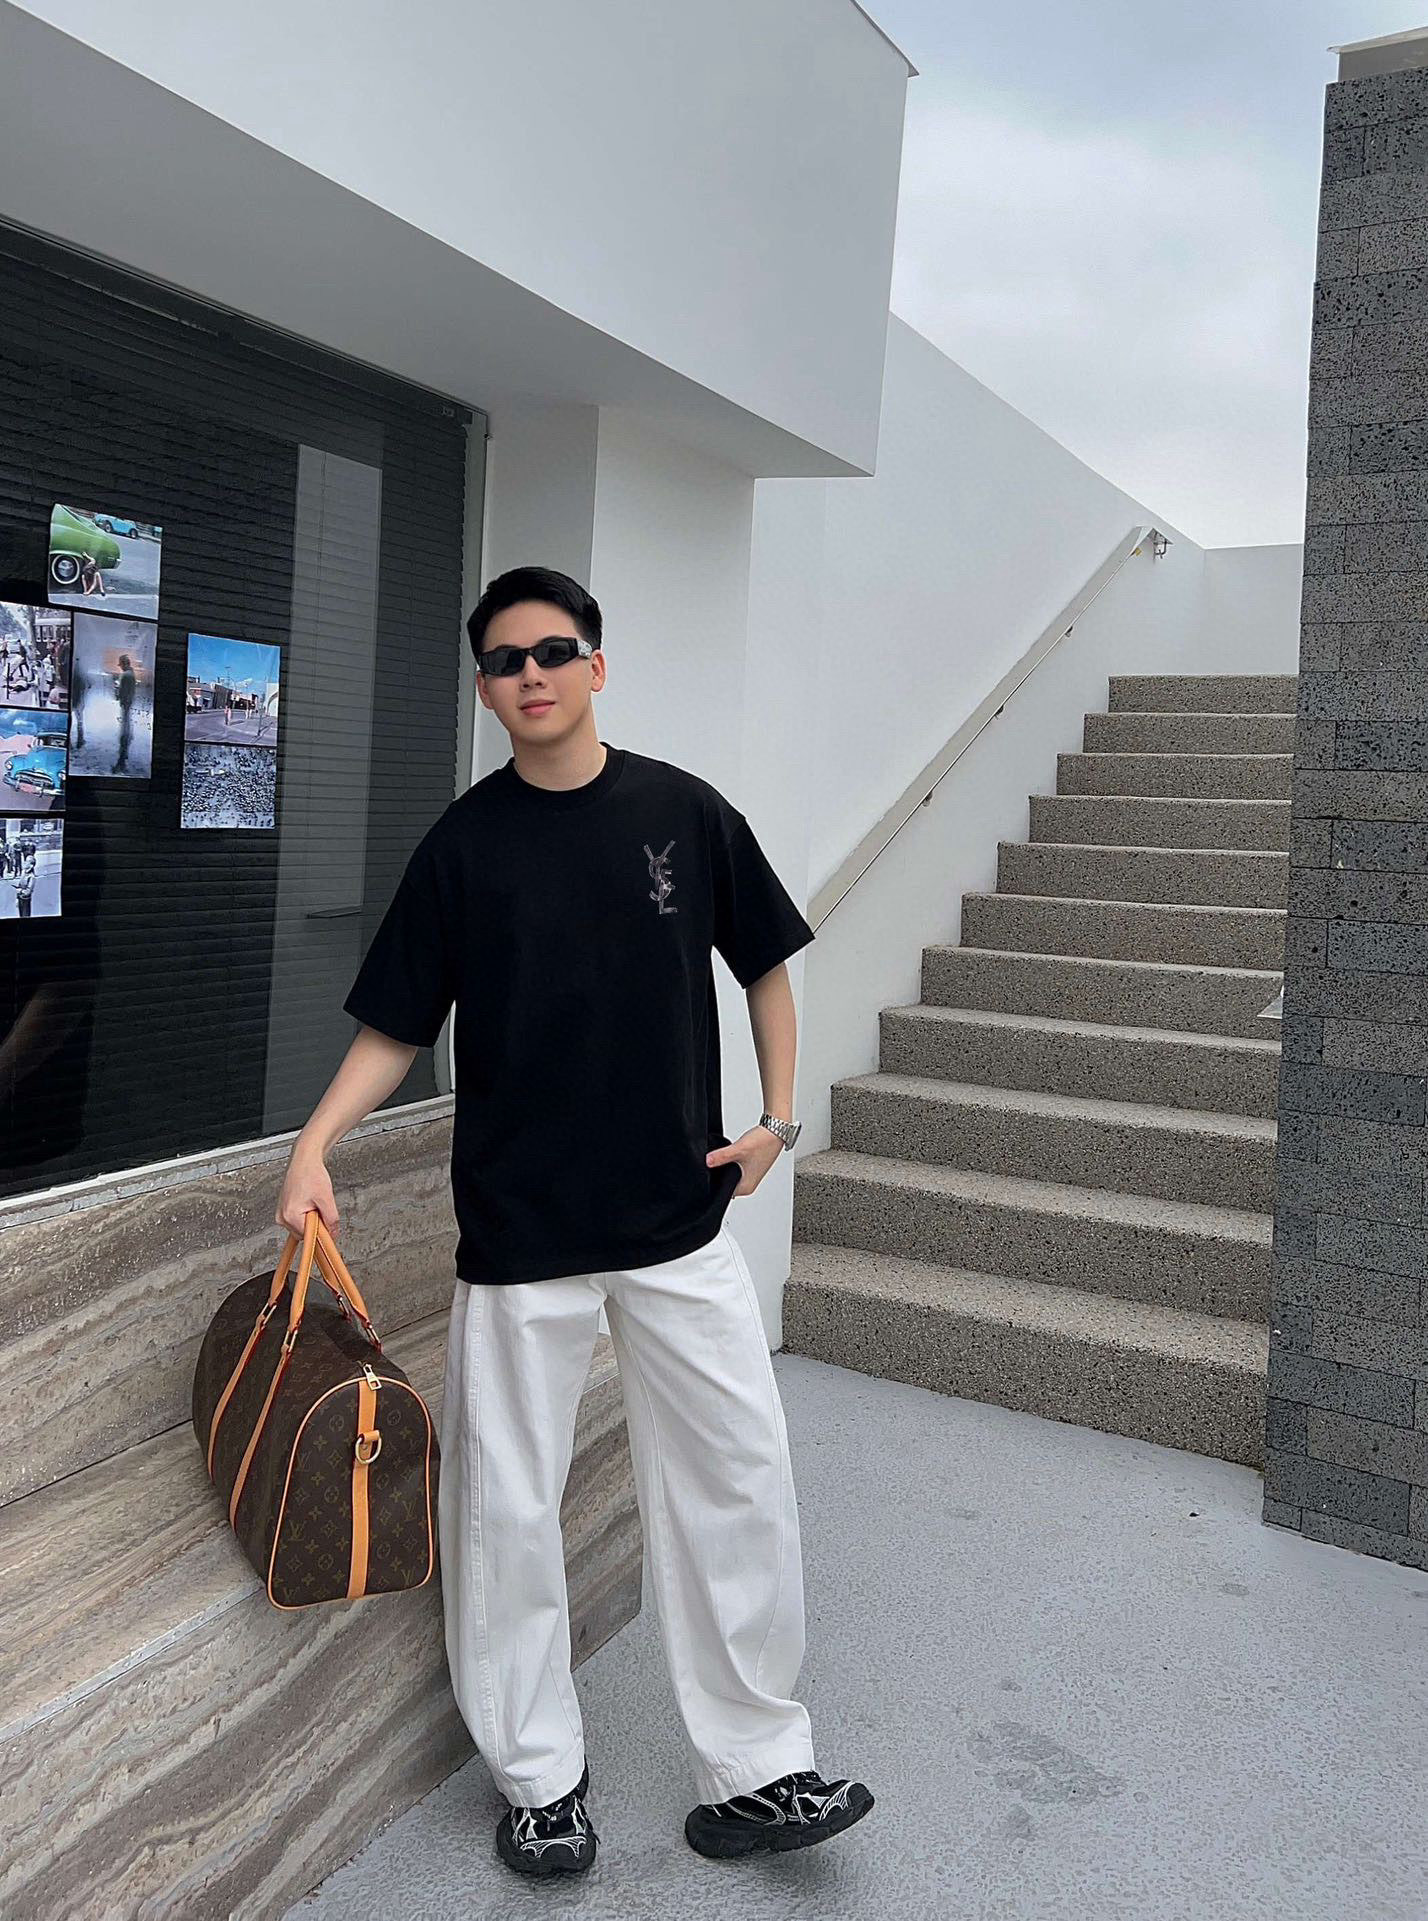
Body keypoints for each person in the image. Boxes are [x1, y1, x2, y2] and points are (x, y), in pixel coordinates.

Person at [276, 566, 873, 1881]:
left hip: (676, 1221)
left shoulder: (683, 813)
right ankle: (540, 1781)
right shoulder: (463, 847)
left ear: (597, 666)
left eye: (553, 651)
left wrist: (777, 1120)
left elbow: (767, 964)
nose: (531, 674)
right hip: (522, 1232)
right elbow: (394, 1027)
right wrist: (314, 1145)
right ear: (486, 690)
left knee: (737, 1480)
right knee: (506, 1509)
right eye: (506, 661)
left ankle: (759, 1770)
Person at [111, 654, 136, 774]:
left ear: (124, 664)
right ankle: (123, 757)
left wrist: (119, 696)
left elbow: (122, 693)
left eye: (121, 664)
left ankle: (121, 763)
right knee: (127, 731)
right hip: (128, 705)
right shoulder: (132, 674)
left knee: (124, 734)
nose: (120, 667)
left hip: (126, 705)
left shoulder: (125, 675)